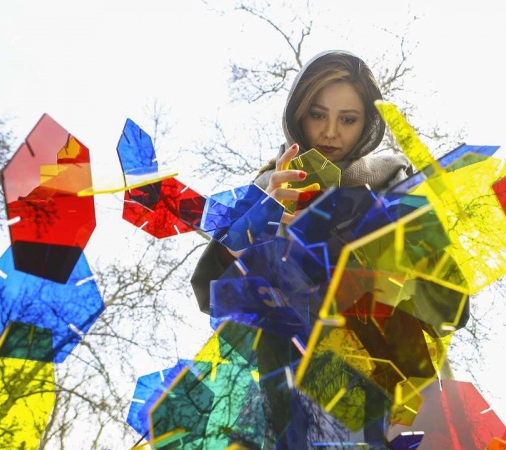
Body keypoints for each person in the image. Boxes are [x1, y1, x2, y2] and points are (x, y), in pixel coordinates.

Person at [190, 50, 468, 448]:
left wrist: (386, 251)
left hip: (389, 403)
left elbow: (452, 304)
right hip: (289, 405)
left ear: (367, 124)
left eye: (348, 119)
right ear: (297, 116)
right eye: (318, 115)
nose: (331, 132)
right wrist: (258, 232)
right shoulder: (265, 192)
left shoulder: (397, 185)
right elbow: (215, 297)